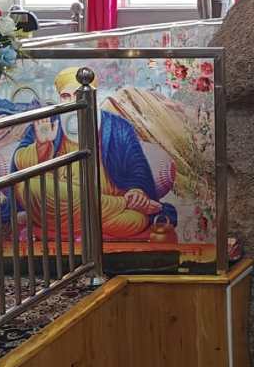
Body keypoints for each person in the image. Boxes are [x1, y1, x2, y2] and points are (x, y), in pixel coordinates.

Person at [10, 67, 177, 242]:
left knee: (136, 220)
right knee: (30, 187)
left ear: (93, 97)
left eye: (78, 95)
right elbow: (20, 166)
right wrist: (42, 146)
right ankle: (111, 212)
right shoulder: (48, 121)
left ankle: (63, 230)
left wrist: (136, 191)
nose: (73, 101)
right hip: (62, 202)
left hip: (91, 208)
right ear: (60, 97)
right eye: (66, 96)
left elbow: (137, 168)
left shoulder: (117, 126)